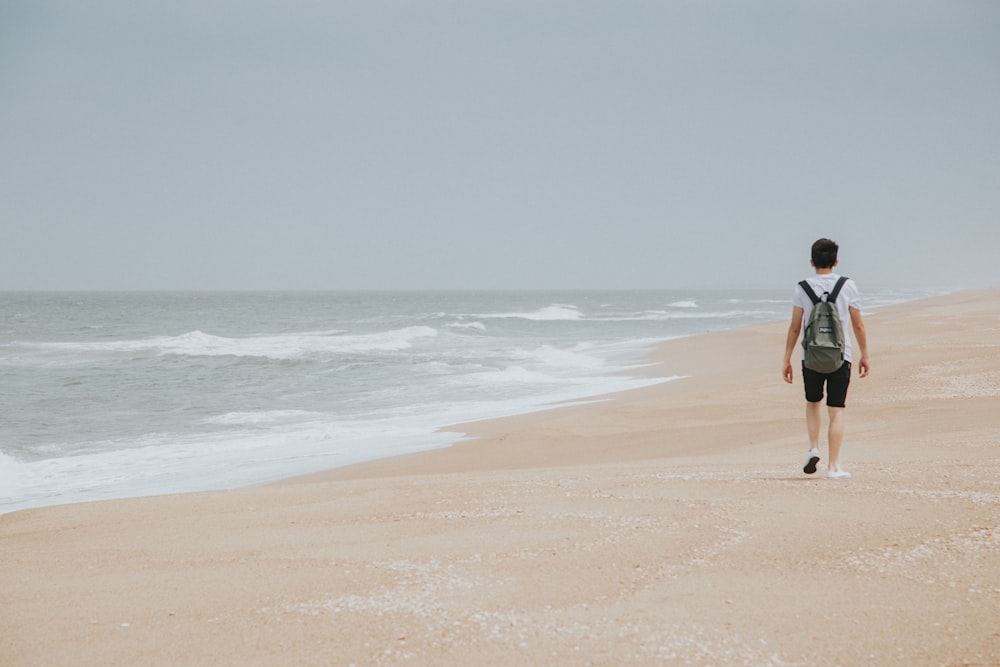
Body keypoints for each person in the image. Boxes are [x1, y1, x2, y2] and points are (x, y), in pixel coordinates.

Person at [782, 238, 869, 479]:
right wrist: (865, 355)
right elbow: (858, 325)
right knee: (836, 409)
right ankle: (833, 466)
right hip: (841, 355)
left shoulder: (802, 288)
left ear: (811, 262)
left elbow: (794, 328)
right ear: (836, 261)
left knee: (813, 403)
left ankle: (813, 448)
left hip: (810, 357)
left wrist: (786, 359)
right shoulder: (847, 285)